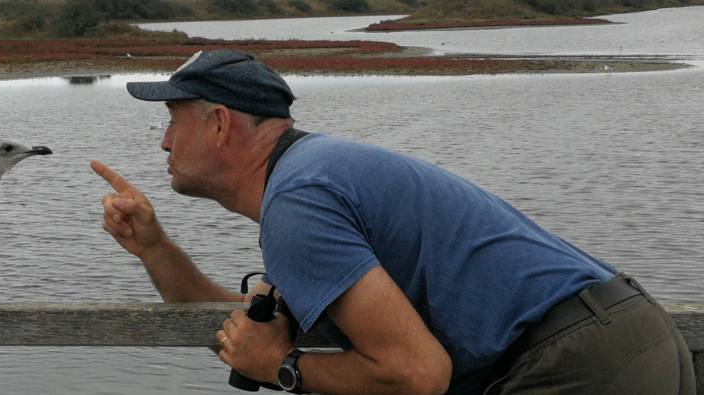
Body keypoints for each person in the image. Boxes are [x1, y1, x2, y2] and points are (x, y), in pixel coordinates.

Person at [91, 49, 695, 394]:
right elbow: (239, 332)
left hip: (577, 367)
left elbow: (416, 374)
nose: (164, 143)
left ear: (220, 124)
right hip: (631, 341)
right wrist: (155, 249)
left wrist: (284, 369)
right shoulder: (314, 175)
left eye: (172, 120)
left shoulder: (299, 204)